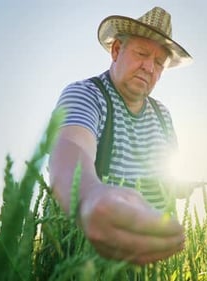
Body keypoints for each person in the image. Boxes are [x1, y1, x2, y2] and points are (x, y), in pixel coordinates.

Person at [48, 7, 193, 265]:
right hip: (81, 261)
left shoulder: (163, 115)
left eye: (159, 62)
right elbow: (70, 147)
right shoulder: (86, 95)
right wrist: (88, 196)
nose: (149, 67)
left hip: (150, 264)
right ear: (116, 51)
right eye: (142, 53)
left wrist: (178, 186)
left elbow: (164, 177)